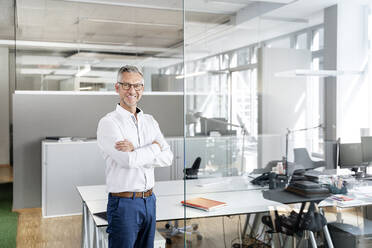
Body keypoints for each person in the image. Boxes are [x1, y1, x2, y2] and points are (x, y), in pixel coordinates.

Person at [97, 65, 173, 248]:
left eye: (137, 86)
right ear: (117, 88)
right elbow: (128, 161)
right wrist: (155, 147)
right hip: (124, 204)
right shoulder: (109, 123)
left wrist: (137, 149)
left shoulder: (150, 121)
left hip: (150, 200)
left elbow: (168, 157)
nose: (132, 90)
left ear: (142, 89)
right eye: (126, 85)